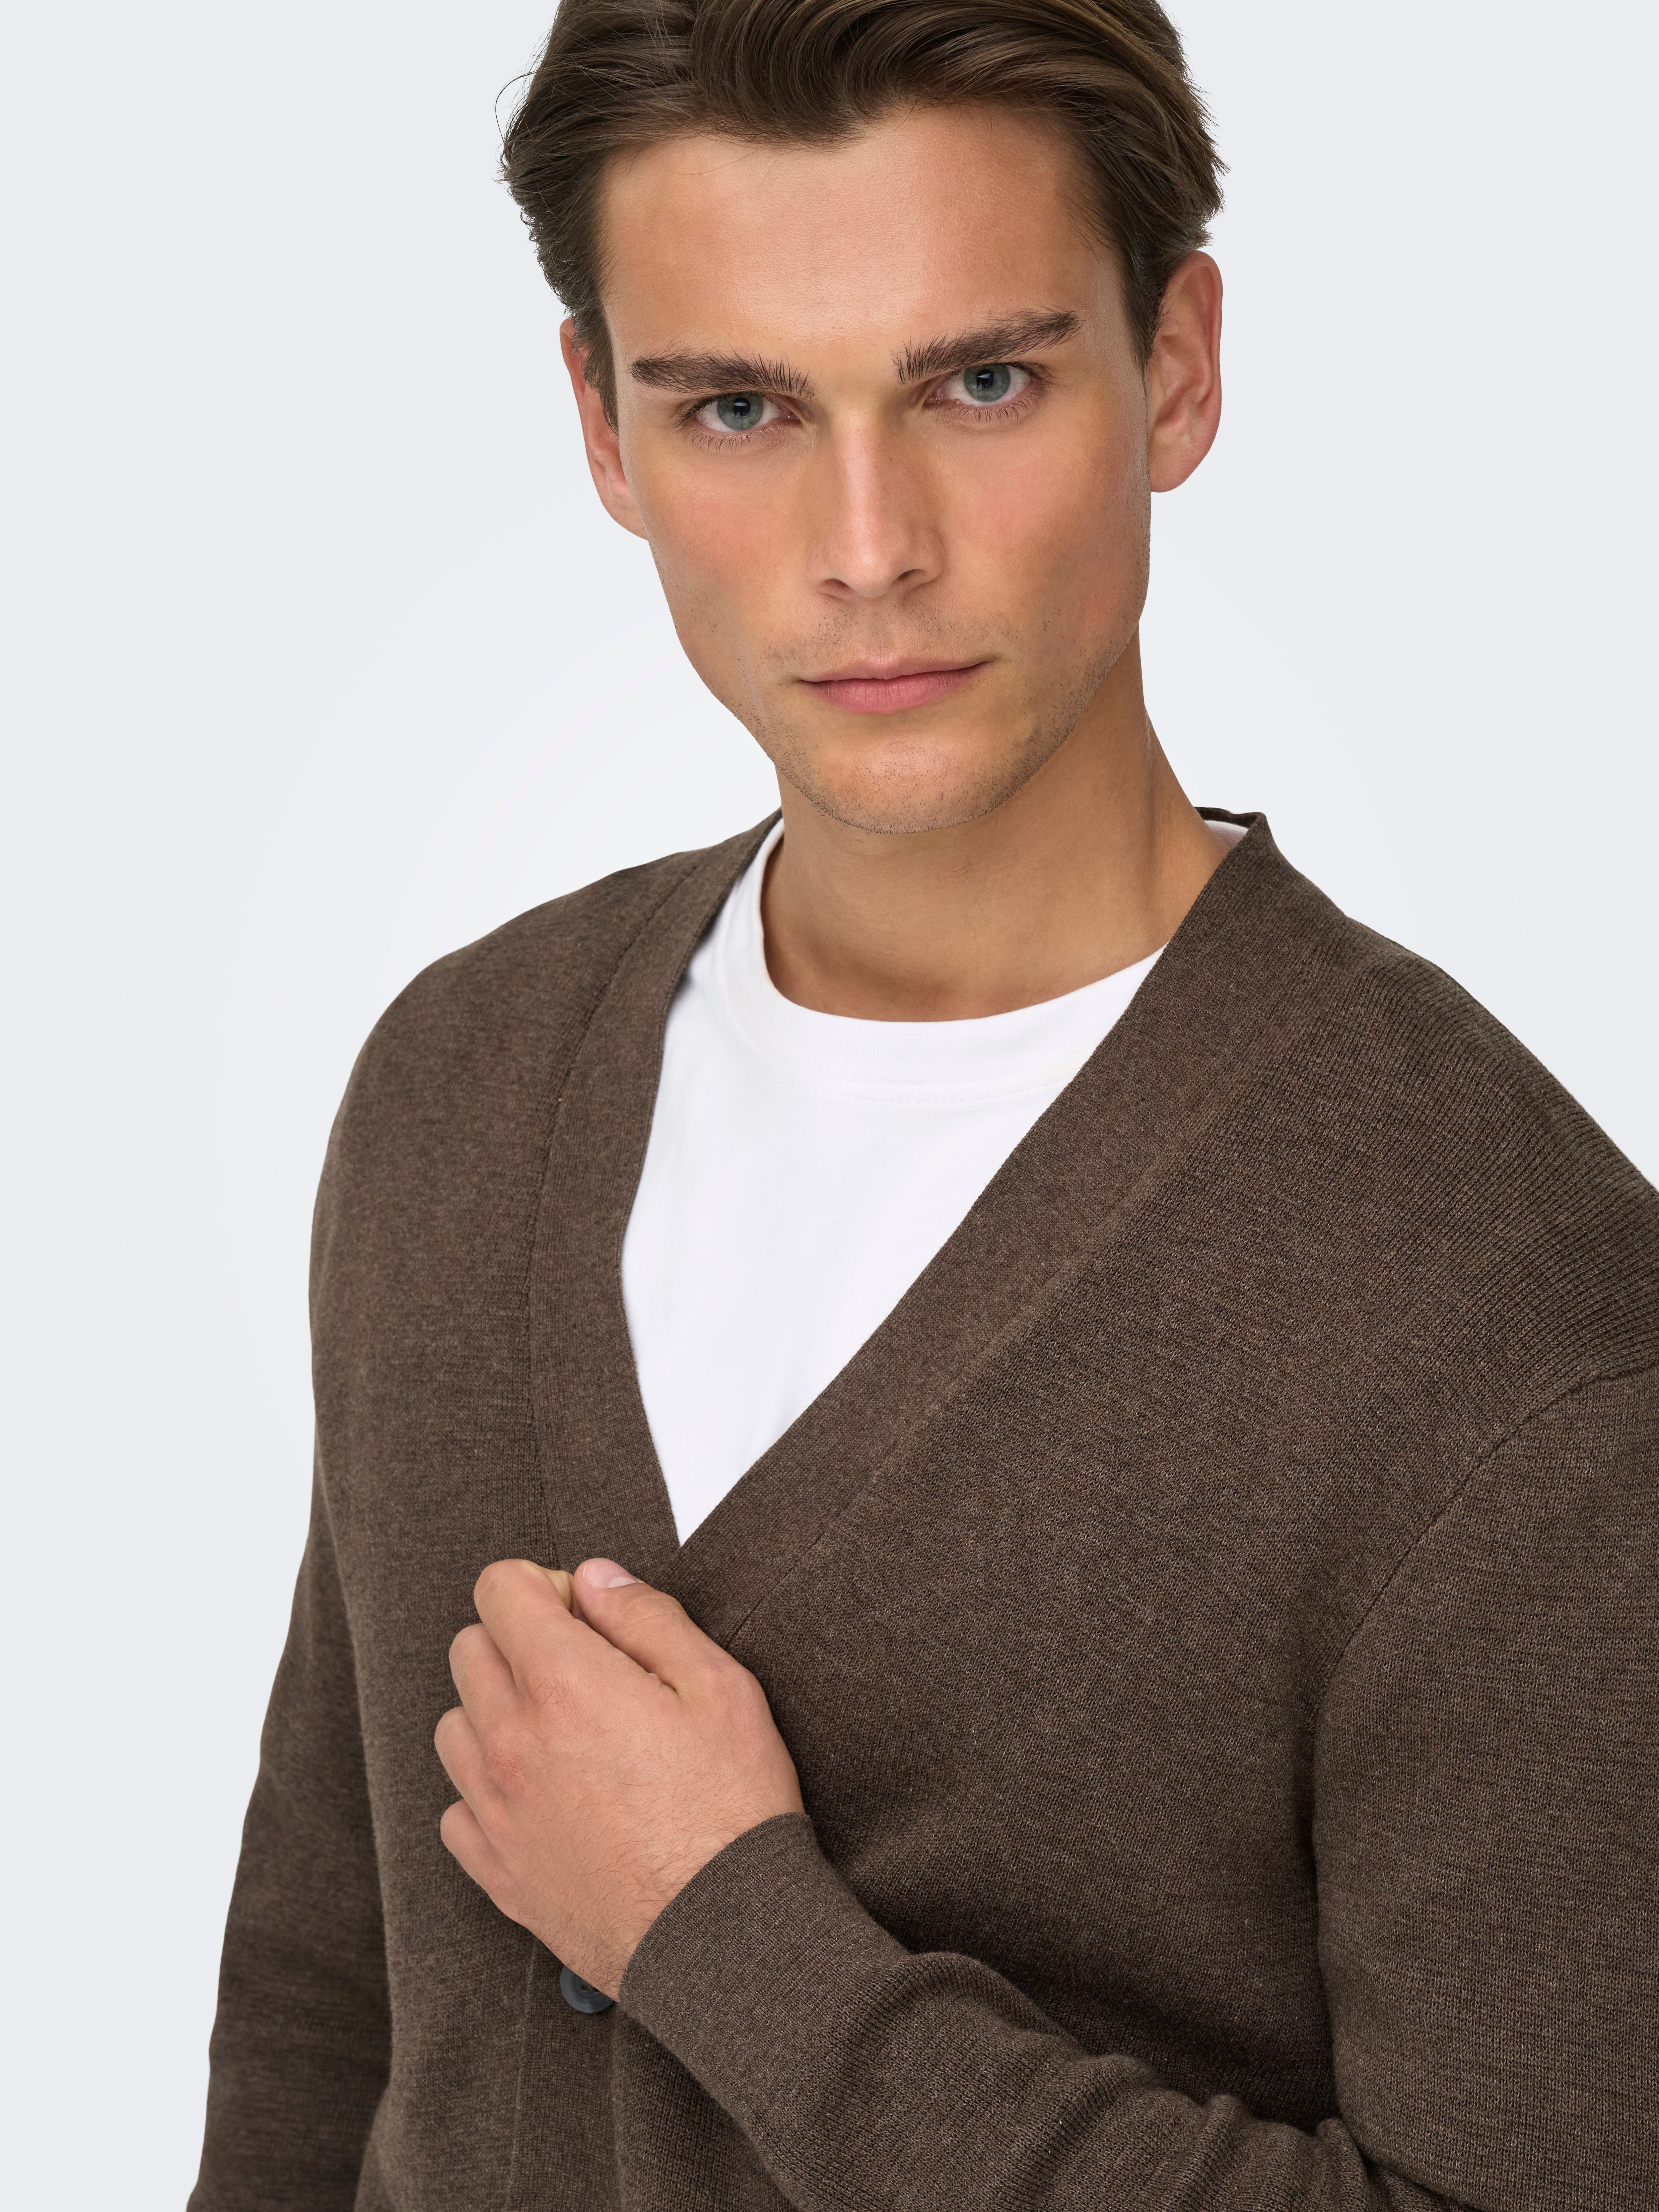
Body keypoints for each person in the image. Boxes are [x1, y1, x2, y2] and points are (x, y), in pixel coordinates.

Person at [189, 0, 1658, 2205]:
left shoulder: (1512, 1326)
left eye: (981, 384)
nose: (867, 546)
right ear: (601, 427)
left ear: (1178, 369)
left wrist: (731, 1944)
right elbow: (329, 1998)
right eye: (740, 408)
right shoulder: (463, 1085)